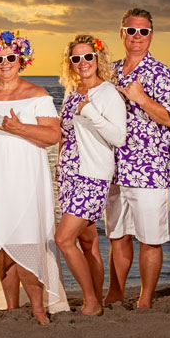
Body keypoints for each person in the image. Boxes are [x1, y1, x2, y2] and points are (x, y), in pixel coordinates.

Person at [0, 31, 68, 324]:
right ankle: (9, 306)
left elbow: (53, 135)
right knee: (0, 240)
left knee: (28, 241)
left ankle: (37, 307)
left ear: (21, 60)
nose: (5, 63)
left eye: (10, 57)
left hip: (26, 180)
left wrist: (19, 129)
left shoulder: (38, 95)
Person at [105, 8, 170, 309]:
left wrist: (142, 99)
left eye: (143, 31)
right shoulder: (107, 72)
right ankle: (116, 292)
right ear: (121, 32)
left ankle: (145, 297)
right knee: (118, 235)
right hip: (113, 168)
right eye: (131, 30)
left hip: (149, 170)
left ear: (151, 34)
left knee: (150, 238)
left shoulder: (161, 73)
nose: (137, 37)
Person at [54, 35, 126, 317]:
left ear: (97, 59)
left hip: (91, 176)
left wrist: (91, 112)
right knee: (87, 241)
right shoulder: (72, 92)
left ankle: (91, 302)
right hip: (69, 174)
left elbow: (119, 138)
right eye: (76, 58)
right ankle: (95, 297)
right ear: (70, 63)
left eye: (88, 57)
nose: (83, 62)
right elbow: (65, 133)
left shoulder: (107, 93)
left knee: (62, 239)